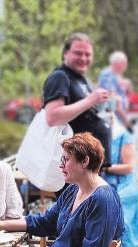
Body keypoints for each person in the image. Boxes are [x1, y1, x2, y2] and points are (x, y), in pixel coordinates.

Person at [43, 33, 112, 166]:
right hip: (73, 167)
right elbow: (52, 117)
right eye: (78, 53)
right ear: (66, 53)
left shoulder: (80, 78)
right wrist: (91, 100)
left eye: (88, 54)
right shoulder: (60, 76)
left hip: (89, 165)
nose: (83, 58)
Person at [103, 123, 138, 247]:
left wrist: (104, 168)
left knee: (119, 208)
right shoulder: (96, 133)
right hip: (105, 182)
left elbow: (129, 167)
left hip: (124, 184)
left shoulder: (123, 135)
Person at [98, 51, 133, 131]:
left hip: (119, 119)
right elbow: (113, 99)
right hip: (114, 119)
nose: (126, 66)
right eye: (124, 63)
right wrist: (126, 120)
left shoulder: (116, 75)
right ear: (118, 63)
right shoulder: (107, 75)